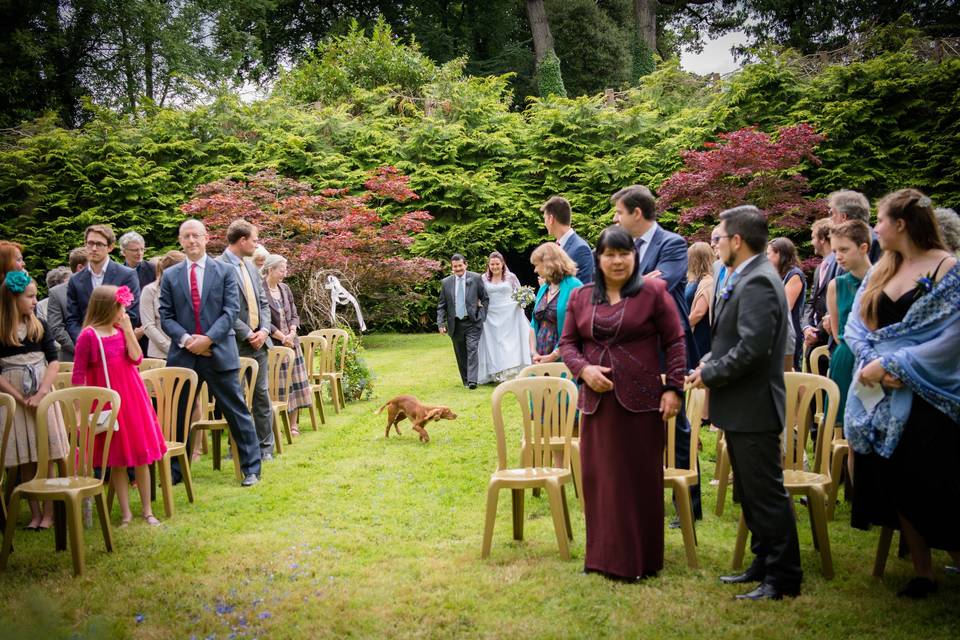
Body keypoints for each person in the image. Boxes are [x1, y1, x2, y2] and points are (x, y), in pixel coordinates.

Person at [844, 189, 959, 599]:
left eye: (880, 220)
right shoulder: (883, 269)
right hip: (881, 392)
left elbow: (952, 338)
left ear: (902, 225)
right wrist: (872, 363)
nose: (875, 227)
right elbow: (856, 327)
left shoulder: (949, 269)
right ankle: (922, 571)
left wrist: (898, 366)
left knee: (933, 479)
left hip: (929, 393)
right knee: (896, 479)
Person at [687, 205, 802, 601]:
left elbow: (753, 348)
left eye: (719, 236)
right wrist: (707, 361)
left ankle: (783, 577)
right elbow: (731, 339)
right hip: (739, 406)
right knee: (749, 494)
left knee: (766, 494)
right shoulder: (744, 275)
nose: (715, 243)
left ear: (737, 240)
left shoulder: (758, 281)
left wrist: (710, 374)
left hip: (754, 406)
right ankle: (761, 562)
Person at [559, 225, 685, 581]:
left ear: (635, 256)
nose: (617, 261)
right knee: (601, 481)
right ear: (598, 259)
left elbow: (675, 341)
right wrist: (583, 371)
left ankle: (640, 560)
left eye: (624, 253)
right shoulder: (582, 296)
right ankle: (601, 558)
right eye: (609, 254)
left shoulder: (654, 292)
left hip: (642, 403)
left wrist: (674, 388)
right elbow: (568, 344)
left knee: (637, 480)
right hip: (597, 404)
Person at [611, 184, 701, 522]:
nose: (616, 219)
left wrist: (631, 283)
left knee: (675, 422)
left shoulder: (673, 244)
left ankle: (688, 505)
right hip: (635, 346)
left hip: (667, 345)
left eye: (619, 212)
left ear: (636, 212)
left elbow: (660, 285)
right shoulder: (627, 247)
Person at [159, 219, 262, 486]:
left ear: (206, 238)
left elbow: (230, 312)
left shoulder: (225, 271)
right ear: (180, 241)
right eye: (186, 236)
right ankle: (175, 471)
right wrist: (186, 339)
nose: (191, 240)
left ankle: (251, 469)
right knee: (177, 416)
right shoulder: (170, 276)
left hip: (218, 353)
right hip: (184, 356)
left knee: (237, 412)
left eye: (196, 235)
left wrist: (208, 340)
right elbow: (166, 315)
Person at [72, 285, 166, 526]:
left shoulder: (120, 329)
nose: (124, 311)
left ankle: (147, 510)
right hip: (105, 400)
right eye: (120, 307)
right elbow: (78, 375)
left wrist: (127, 331)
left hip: (132, 396)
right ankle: (126, 513)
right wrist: (80, 411)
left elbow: (136, 358)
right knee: (118, 459)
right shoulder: (88, 336)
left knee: (141, 456)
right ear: (107, 308)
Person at [0, 271, 67, 530]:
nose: (34, 301)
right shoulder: (3, 330)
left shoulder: (39, 326)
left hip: (42, 392)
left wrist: (41, 393)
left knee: (44, 454)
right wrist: (18, 397)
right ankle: (35, 512)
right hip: (14, 396)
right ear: (12, 299)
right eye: (30, 297)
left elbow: (53, 361)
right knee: (26, 456)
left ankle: (49, 513)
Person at [220, 220, 275, 457]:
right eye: (254, 239)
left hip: (259, 343)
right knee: (238, 398)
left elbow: (263, 302)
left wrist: (263, 331)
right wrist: (247, 333)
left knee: (262, 395)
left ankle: (265, 448)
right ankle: (239, 449)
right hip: (235, 342)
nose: (257, 244)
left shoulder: (251, 267)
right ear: (242, 240)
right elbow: (223, 308)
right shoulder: (218, 267)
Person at [825, 220, 872, 422]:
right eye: (835, 250)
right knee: (839, 424)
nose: (838, 256)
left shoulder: (883, 280)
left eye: (844, 249)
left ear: (863, 247)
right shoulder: (836, 285)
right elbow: (836, 333)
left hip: (874, 359)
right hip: (844, 356)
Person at [262, 253, 312, 435]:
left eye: (285, 269)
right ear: (270, 270)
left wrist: (292, 332)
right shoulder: (260, 290)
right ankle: (276, 425)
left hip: (292, 344)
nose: (285, 273)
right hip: (275, 346)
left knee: (296, 384)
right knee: (281, 387)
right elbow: (263, 320)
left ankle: (294, 425)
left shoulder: (285, 289)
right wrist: (282, 337)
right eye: (281, 269)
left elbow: (294, 315)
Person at [65, 225, 141, 345]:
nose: (94, 248)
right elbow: (72, 319)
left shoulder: (127, 275)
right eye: (90, 243)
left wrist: (108, 339)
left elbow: (132, 314)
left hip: (117, 345)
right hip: (87, 346)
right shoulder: (75, 280)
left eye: (99, 244)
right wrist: (84, 341)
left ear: (110, 247)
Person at [476, 252, 532, 383]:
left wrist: (522, 302)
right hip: (491, 315)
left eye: (497, 264)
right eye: (492, 264)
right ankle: (496, 372)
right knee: (494, 343)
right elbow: (479, 296)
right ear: (488, 265)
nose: (495, 267)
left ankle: (511, 370)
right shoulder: (483, 278)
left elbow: (519, 293)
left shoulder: (511, 277)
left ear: (502, 264)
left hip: (510, 314)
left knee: (510, 343)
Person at [437, 254, 488, 389]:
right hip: (455, 324)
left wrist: (482, 315)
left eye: (460, 265)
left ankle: (472, 381)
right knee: (461, 353)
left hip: (472, 322)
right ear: (452, 267)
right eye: (455, 266)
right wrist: (441, 323)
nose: (458, 268)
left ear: (465, 264)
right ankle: (465, 380)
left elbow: (485, 298)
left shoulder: (476, 278)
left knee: (472, 349)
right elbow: (442, 305)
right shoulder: (446, 282)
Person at [529, 243, 582, 364]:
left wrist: (553, 355)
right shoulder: (544, 288)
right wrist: (533, 352)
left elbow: (578, 327)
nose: (535, 270)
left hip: (566, 358)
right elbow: (533, 323)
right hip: (540, 357)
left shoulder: (574, 286)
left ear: (548, 263)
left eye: (537, 265)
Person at [766, 238, 806, 370]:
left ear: (779, 254)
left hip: (789, 334)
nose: (766, 258)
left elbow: (785, 306)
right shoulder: (774, 275)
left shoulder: (794, 275)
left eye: (768, 254)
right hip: (774, 334)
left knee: (790, 377)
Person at [802, 219, 837, 364]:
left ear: (822, 239)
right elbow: (811, 302)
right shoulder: (819, 269)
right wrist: (806, 327)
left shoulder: (839, 264)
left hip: (828, 337)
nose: (811, 242)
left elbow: (835, 305)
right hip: (814, 338)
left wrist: (817, 332)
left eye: (813, 237)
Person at [140, 251, 186, 359]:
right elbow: (148, 326)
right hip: (160, 355)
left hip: (188, 352)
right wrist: (171, 348)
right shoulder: (150, 290)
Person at [46, 247, 87, 363]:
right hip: (73, 358)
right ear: (80, 268)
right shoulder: (57, 293)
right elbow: (56, 327)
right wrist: (80, 349)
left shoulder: (101, 287)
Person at [542, 196, 594, 283]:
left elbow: (582, 290)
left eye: (545, 219)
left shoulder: (580, 249)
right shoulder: (557, 246)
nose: (544, 223)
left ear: (551, 219)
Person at [829, 189, 881, 263]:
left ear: (843, 216)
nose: (830, 218)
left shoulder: (875, 243)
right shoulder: (844, 242)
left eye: (832, 213)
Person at [685, 242, 714, 362]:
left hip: (700, 333)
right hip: (690, 331)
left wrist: (680, 327)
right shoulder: (693, 280)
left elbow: (699, 312)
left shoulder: (708, 282)